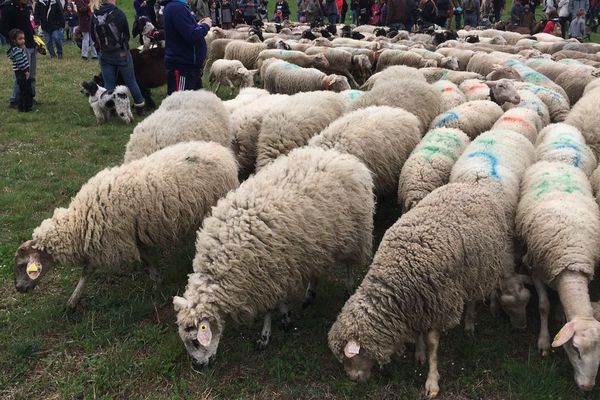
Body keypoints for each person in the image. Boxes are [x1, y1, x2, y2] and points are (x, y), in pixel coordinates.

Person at [91, 0, 146, 112]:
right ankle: (139, 105)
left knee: (109, 83)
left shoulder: (95, 14)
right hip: (121, 53)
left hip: (104, 54)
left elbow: (93, 35)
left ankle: (110, 108)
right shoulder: (118, 13)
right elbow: (126, 33)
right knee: (131, 81)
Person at [161, 0, 211, 94]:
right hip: (182, 67)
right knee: (181, 102)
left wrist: (198, 25)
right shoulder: (177, 9)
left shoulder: (178, 7)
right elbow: (191, 36)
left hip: (189, 67)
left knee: (196, 102)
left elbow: (184, 30)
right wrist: (205, 26)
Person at [0, 0, 37, 108]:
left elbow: (28, 25)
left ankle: (30, 96)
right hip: (20, 46)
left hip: (30, 42)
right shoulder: (8, 8)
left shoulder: (25, 7)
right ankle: (15, 99)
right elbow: (3, 28)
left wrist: (35, 38)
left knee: (31, 74)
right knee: (21, 74)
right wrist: (14, 40)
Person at [6, 29, 33, 112]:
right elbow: (20, 63)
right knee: (25, 91)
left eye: (23, 38)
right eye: (20, 39)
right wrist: (26, 71)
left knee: (24, 90)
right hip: (22, 73)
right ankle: (26, 108)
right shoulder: (17, 51)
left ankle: (22, 107)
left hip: (22, 72)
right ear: (14, 40)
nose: (23, 41)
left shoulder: (18, 49)